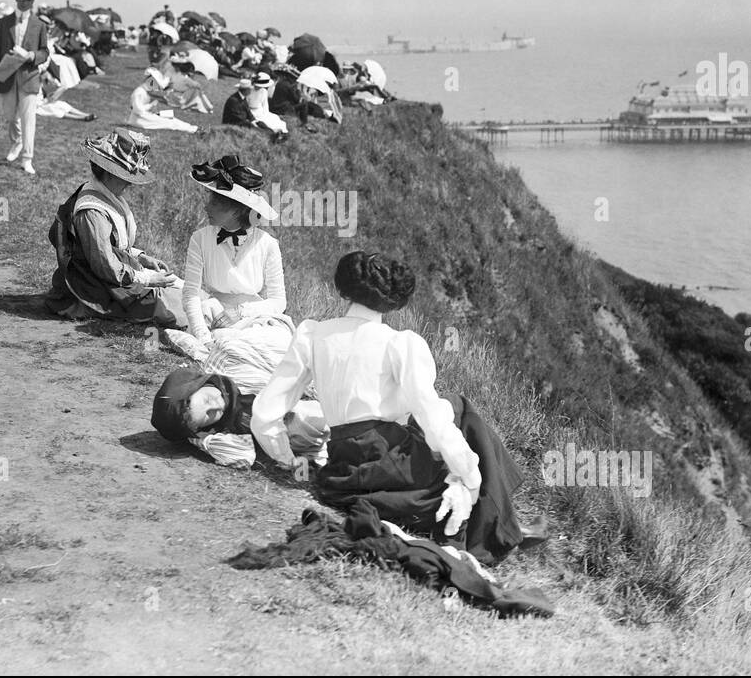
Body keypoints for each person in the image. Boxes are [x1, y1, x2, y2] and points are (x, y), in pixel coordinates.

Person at [249, 250, 541, 564]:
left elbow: (265, 413)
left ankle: (502, 519)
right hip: (388, 460)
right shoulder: (399, 343)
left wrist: (286, 457)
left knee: (449, 421)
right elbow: (433, 419)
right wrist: (469, 476)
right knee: (460, 412)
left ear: (345, 289)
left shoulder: (313, 334)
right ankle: (498, 527)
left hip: (343, 469)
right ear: (394, 301)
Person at [159, 156, 296, 396]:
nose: (206, 206)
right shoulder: (200, 238)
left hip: (256, 317)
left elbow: (278, 301)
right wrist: (202, 336)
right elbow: (191, 293)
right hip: (214, 314)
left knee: (279, 343)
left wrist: (242, 313)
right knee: (222, 342)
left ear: (236, 209)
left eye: (214, 201)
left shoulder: (267, 244)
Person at [45, 128, 186, 326]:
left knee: (185, 292)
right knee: (176, 313)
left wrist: (141, 257)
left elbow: (112, 245)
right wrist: (145, 278)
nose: (130, 182)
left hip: (112, 278)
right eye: (126, 175)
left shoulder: (108, 196)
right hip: (94, 286)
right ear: (109, 172)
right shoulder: (92, 211)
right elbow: (103, 264)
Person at [150, 367, 327, 470]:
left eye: (207, 400)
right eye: (209, 416)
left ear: (198, 385)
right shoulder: (229, 427)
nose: (216, 406)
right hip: (308, 425)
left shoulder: (234, 373)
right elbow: (244, 455)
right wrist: (200, 440)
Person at [0, 0, 49, 176]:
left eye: (28, 0)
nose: (24, 3)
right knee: (9, 116)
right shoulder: (4, 22)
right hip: (7, 77)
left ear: (32, 3)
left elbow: (45, 52)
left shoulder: (40, 25)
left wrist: (31, 56)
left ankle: (27, 158)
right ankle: (16, 142)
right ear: (15, 0)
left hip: (29, 77)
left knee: (28, 119)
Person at [129, 69, 198, 133]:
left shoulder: (144, 92)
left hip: (144, 116)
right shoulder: (139, 92)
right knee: (169, 122)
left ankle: (193, 128)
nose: (156, 89)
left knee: (170, 116)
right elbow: (138, 110)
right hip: (139, 120)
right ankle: (193, 130)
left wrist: (153, 108)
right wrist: (151, 105)